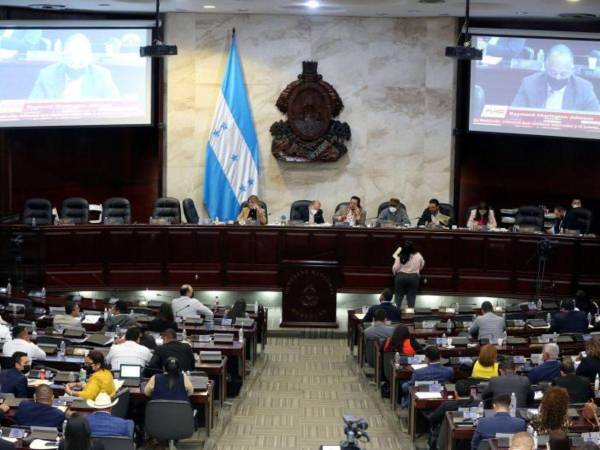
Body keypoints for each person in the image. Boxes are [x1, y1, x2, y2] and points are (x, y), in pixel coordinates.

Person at [29, 33, 119, 100]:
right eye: (71, 62)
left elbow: (114, 106)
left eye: (81, 63)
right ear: (63, 57)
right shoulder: (47, 74)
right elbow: (33, 105)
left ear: (89, 59)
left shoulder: (102, 75)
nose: (75, 67)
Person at [512, 44, 600, 112]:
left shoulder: (584, 88)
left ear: (572, 70)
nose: (557, 78)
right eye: (553, 72)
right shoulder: (529, 83)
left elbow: (596, 118)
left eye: (563, 74)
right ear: (545, 66)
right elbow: (514, 114)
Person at [427, 379, 478, 450]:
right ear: (470, 392)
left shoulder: (447, 405)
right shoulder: (478, 404)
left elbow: (433, 418)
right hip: (471, 436)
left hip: (447, 435)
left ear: (456, 392)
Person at [392, 241, 425, 308]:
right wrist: (417, 270)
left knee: (398, 297)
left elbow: (395, 268)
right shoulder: (418, 255)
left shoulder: (401, 255)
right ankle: (410, 315)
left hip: (400, 277)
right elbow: (422, 264)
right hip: (413, 278)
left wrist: (395, 274)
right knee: (411, 298)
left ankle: (396, 314)